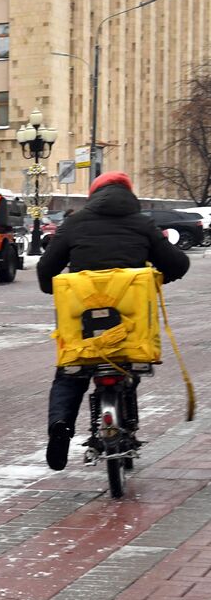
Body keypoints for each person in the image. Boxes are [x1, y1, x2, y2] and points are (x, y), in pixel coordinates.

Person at [37, 171, 190, 470]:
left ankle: (60, 427)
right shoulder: (143, 223)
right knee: (128, 363)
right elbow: (177, 263)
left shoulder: (74, 223)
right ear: (128, 194)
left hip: (82, 325)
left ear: (94, 195)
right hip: (130, 327)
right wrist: (159, 277)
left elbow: (46, 273)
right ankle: (126, 423)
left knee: (70, 375)